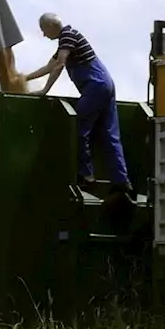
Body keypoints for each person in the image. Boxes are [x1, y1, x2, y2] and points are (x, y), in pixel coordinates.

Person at [25, 13, 132, 195]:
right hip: (105, 84)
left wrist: (44, 91)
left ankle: (87, 177)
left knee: (78, 129)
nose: (43, 35)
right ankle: (122, 182)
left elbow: (59, 65)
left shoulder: (67, 36)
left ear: (51, 26)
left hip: (94, 85)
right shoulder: (68, 38)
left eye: (44, 30)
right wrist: (23, 78)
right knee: (110, 135)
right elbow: (49, 66)